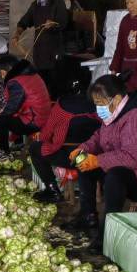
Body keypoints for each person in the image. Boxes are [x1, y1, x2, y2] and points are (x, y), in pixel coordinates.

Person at [65, 73, 137, 249]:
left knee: (115, 176)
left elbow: (133, 158)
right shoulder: (113, 114)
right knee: (84, 164)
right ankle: (88, 215)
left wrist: (98, 160)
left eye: (101, 103)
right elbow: (99, 137)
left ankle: (106, 236)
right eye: (96, 103)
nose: (98, 108)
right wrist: (83, 149)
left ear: (116, 99)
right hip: (132, 171)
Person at [29, 68, 101, 203]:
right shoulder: (98, 103)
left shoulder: (62, 105)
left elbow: (46, 134)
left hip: (70, 157)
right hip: (94, 157)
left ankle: (53, 190)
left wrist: (44, 138)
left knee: (35, 149)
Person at [11, 0, 69, 97]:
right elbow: (24, 22)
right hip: (39, 51)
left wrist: (53, 24)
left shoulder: (57, 3)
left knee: (55, 83)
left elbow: (63, 23)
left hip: (54, 50)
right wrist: (16, 35)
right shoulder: (35, 6)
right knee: (42, 82)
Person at [0, 54, 52, 158]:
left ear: (9, 70)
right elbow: (21, 101)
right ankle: (16, 143)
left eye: (3, 73)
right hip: (42, 116)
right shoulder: (32, 75)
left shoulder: (16, 82)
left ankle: (4, 151)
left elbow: (11, 108)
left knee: (1, 119)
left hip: (34, 122)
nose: (3, 77)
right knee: (5, 115)